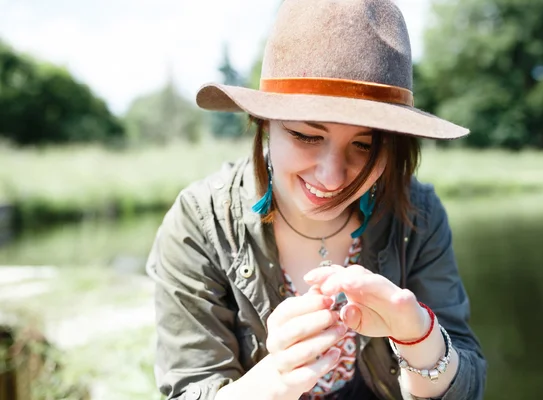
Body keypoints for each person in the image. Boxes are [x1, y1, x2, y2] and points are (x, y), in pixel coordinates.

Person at [146, 0, 487, 399]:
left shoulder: (419, 215)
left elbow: (467, 388)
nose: (332, 176)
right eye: (307, 136)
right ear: (264, 123)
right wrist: (275, 382)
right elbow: (189, 386)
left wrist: (418, 335)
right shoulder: (201, 222)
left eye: (364, 145)